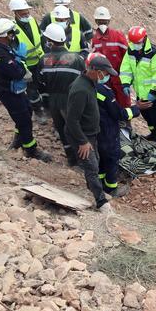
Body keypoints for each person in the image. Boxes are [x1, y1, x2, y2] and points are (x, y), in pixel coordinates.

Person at [0, 18, 51, 162]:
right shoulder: (3, 57)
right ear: (4, 35)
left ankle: (19, 139)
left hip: (8, 87)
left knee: (27, 110)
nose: (13, 35)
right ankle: (30, 149)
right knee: (24, 119)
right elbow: (18, 73)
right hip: (8, 90)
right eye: (11, 33)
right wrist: (21, 58)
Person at [66, 55, 117, 214]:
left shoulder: (90, 82)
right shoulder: (80, 89)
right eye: (105, 73)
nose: (106, 77)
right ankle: (101, 202)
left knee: (96, 162)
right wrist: (82, 141)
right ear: (95, 71)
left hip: (90, 135)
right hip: (82, 136)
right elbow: (72, 120)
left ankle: (95, 189)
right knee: (92, 167)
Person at [85, 53, 140, 197]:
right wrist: (136, 109)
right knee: (111, 158)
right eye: (107, 73)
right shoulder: (105, 91)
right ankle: (111, 188)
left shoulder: (87, 85)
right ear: (99, 72)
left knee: (102, 158)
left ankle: (101, 183)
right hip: (108, 130)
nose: (108, 76)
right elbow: (118, 114)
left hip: (96, 129)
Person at [37, 23, 85, 166]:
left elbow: (41, 85)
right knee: (77, 130)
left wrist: (45, 105)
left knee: (62, 130)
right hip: (72, 100)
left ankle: (71, 160)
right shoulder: (76, 59)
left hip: (53, 102)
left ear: (50, 42)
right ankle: (84, 161)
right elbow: (85, 82)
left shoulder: (43, 60)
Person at [119, 26, 156, 147]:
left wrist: (153, 91)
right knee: (147, 116)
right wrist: (125, 83)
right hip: (140, 92)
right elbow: (126, 68)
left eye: (138, 42)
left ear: (145, 38)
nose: (136, 44)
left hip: (152, 94)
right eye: (133, 42)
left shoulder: (154, 52)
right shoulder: (130, 49)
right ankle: (153, 133)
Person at [9, 0, 46, 124]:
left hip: (40, 61)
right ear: (15, 13)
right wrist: (22, 67)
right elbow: (13, 51)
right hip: (26, 65)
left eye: (27, 12)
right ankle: (38, 111)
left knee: (43, 85)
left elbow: (41, 39)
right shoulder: (12, 28)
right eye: (23, 13)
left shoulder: (32, 21)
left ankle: (46, 107)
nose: (26, 15)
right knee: (31, 89)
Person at [91, 7, 129, 108]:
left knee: (124, 103)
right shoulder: (95, 40)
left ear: (109, 21)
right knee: (107, 104)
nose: (103, 24)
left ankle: (126, 123)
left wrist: (127, 78)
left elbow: (128, 57)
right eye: (100, 21)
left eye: (105, 21)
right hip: (104, 79)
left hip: (119, 78)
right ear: (96, 21)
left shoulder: (118, 36)